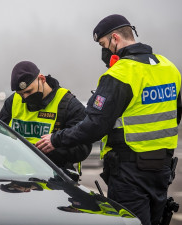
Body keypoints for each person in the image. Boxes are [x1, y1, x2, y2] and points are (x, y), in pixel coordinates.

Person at [36, 14, 182, 225]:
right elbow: (175, 115)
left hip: (130, 173)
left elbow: (95, 125)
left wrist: (56, 139)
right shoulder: (169, 67)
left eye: (103, 44)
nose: (104, 51)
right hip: (162, 170)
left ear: (115, 38)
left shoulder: (120, 74)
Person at [0, 61, 92, 180]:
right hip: (15, 179)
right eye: (21, 94)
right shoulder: (12, 102)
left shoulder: (68, 104)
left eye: (29, 91)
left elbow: (82, 148)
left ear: (42, 79)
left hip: (53, 183)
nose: (25, 98)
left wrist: (47, 151)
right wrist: (12, 150)